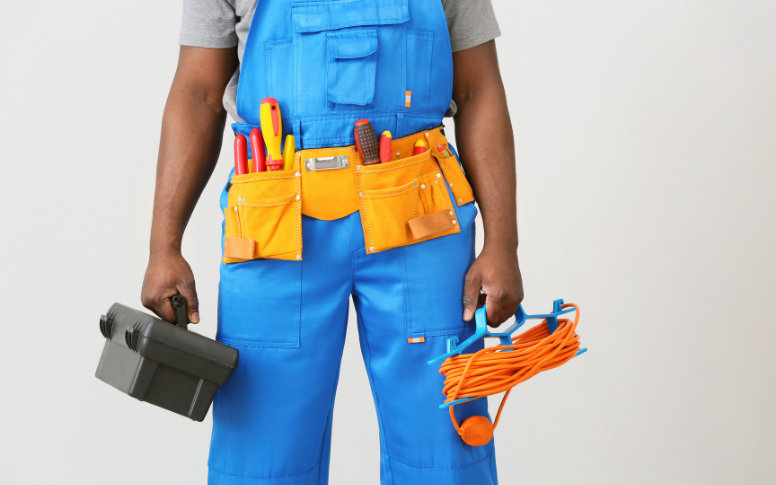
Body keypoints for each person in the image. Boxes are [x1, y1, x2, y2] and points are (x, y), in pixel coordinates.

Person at [140, 0, 524, 483]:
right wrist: (163, 246)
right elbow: (197, 92)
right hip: (273, 224)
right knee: (262, 457)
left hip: (421, 220)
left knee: (443, 446)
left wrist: (502, 244)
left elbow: (477, 88)